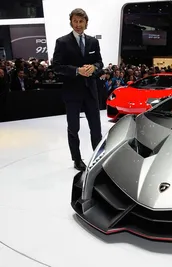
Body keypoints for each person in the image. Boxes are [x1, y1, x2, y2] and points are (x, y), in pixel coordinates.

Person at [52, 8, 104, 171]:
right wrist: (76, 70)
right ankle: (76, 159)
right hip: (72, 91)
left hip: (90, 91)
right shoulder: (62, 42)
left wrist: (94, 68)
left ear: (86, 23)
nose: (78, 24)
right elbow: (56, 67)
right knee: (73, 128)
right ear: (71, 22)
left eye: (81, 21)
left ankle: (99, 157)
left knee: (96, 127)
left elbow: (100, 64)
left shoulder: (93, 42)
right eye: (75, 21)